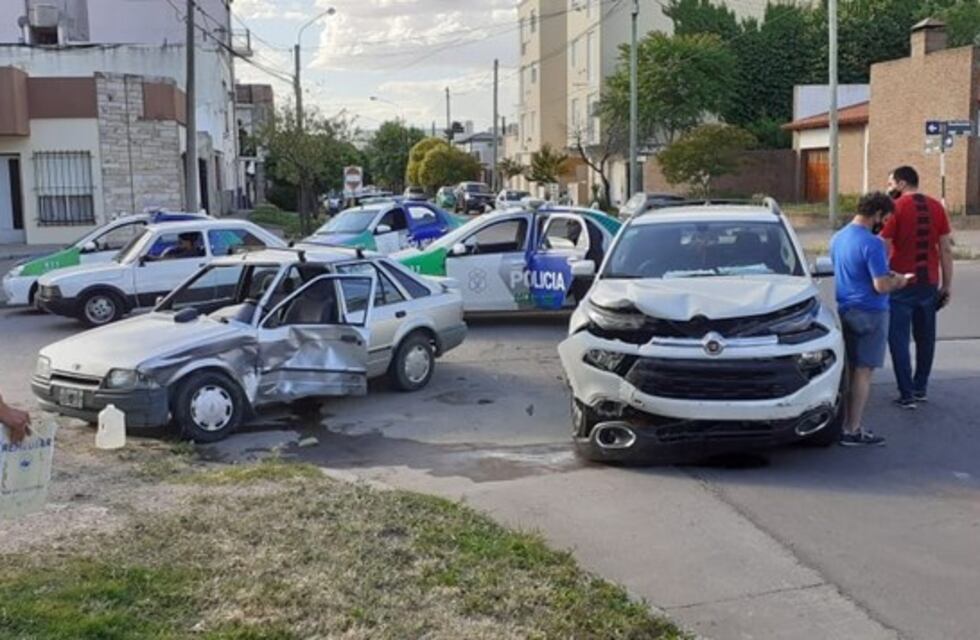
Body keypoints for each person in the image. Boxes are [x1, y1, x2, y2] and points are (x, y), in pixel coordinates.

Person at [831, 192, 910, 446]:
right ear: (877, 214)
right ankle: (852, 429)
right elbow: (880, 286)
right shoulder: (872, 243)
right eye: (885, 218)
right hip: (871, 313)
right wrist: (899, 281)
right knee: (864, 373)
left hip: (846, 309)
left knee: (850, 370)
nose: (884, 223)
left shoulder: (838, 238)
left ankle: (842, 423)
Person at [882, 166, 954, 409]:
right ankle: (920, 387)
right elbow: (945, 248)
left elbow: (884, 245)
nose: (888, 187)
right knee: (926, 338)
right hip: (929, 283)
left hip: (900, 283)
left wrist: (881, 278)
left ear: (902, 184)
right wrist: (947, 285)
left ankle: (906, 393)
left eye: (890, 183)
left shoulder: (895, 208)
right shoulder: (937, 207)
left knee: (898, 339)